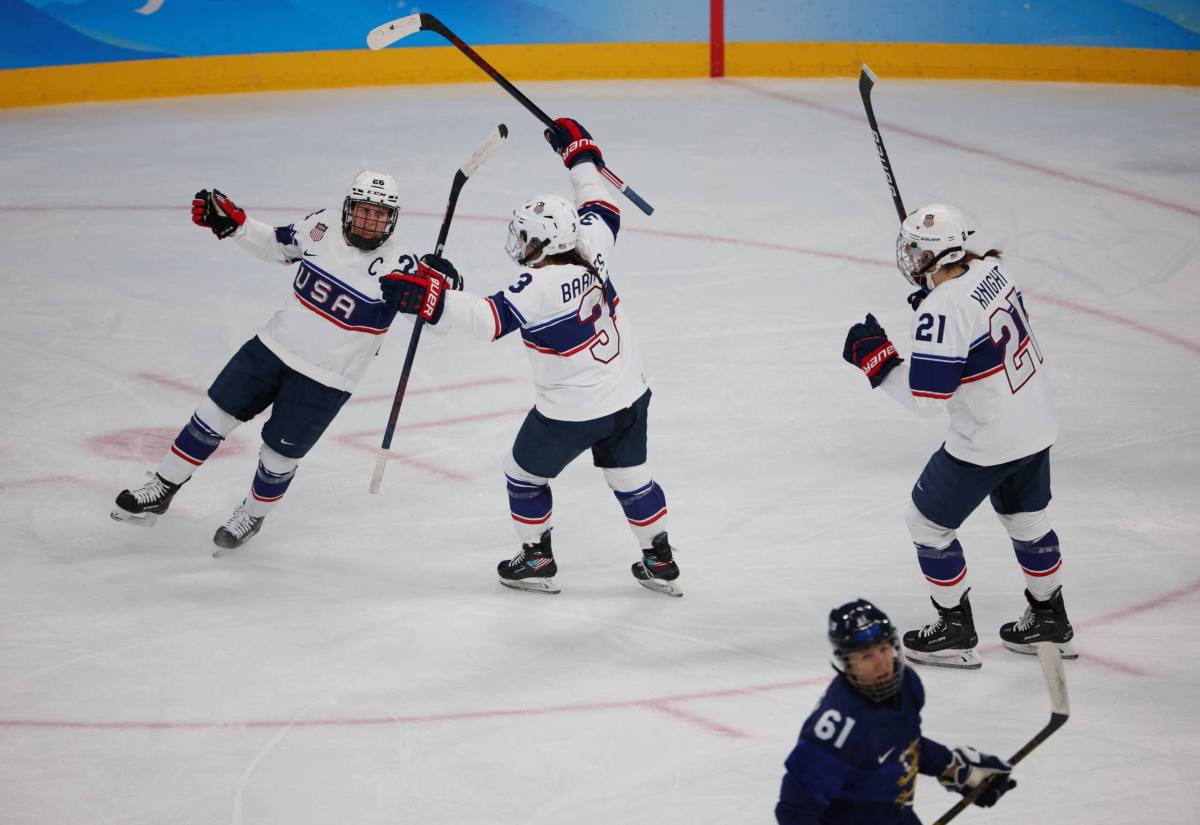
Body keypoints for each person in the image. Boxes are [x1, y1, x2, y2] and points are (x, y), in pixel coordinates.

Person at [380, 116, 680, 597]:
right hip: (629, 395)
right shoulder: (591, 243)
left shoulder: (540, 284)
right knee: (631, 478)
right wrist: (580, 155)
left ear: (543, 242)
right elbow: (601, 202)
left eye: (525, 237)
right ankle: (660, 559)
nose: (519, 245)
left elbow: (487, 319)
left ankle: (537, 558)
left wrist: (432, 297)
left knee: (522, 474)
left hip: (571, 411)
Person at [111, 170, 441, 551]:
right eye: (365, 211)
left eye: (381, 215)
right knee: (210, 415)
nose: (371, 222)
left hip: (327, 379)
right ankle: (162, 486)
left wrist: (438, 291)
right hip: (270, 347)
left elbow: (435, 316)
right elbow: (278, 245)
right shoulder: (323, 224)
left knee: (279, 457)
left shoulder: (401, 264)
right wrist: (236, 227)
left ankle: (252, 515)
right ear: (349, 208)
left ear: (392, 218)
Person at [841, 204, 1076, 669]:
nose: (907, 257)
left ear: (932, 253)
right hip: (1034, 420)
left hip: (989, 439)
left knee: (927, 523)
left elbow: (926, 399)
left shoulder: (942, 308)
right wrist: (935, 313)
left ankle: (952, 629)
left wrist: (878, 361)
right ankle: (1051, 617)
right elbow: (973, 331)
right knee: (1027, 518)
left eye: (913, 249)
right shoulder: (991, 270)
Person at [775, 599, 1016, 824]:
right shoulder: (837, 727)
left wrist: (955, 769)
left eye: (883, 649)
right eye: (866, 656)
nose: (881, 662)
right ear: (846, 663)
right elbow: (794, 810)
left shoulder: (906, 685)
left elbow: (901, 741)